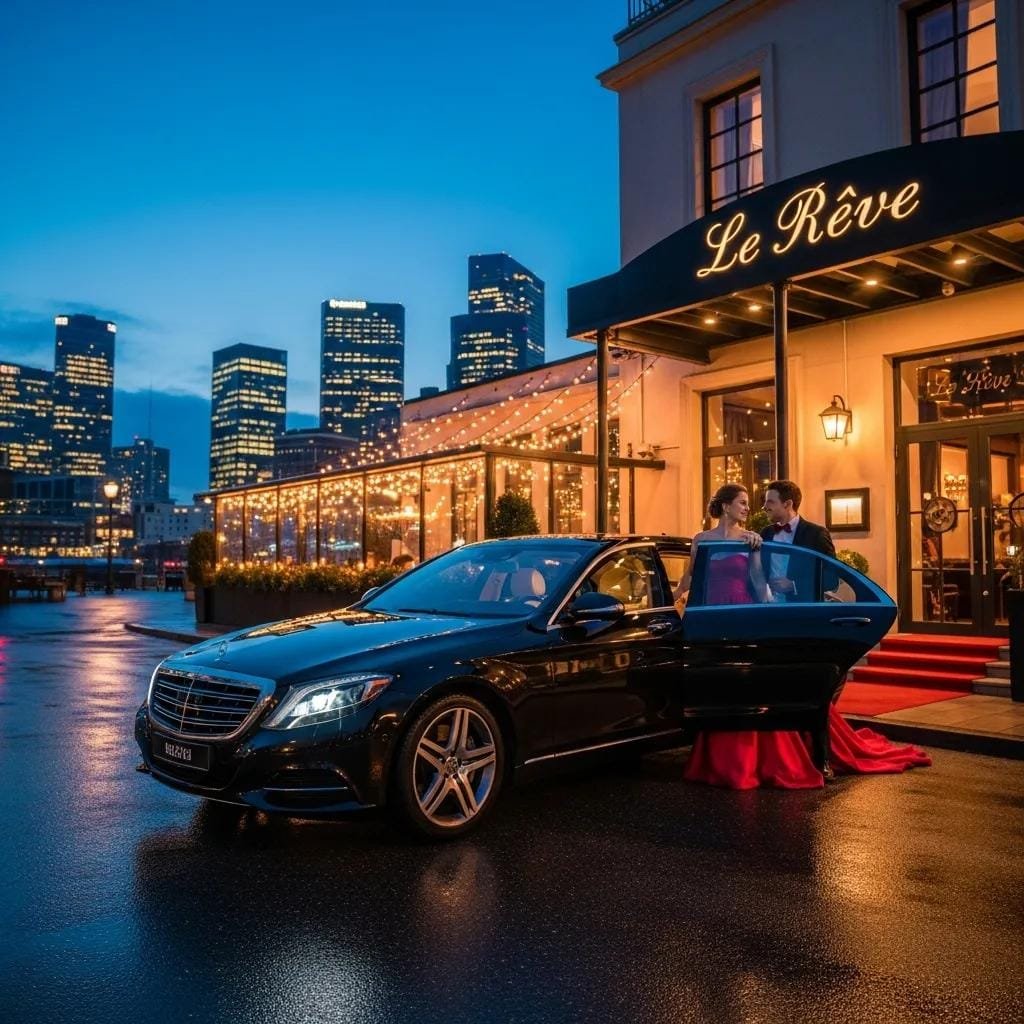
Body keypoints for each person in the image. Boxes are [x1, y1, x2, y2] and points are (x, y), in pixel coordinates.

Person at [759, 478, 931, 780]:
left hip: (806, 620)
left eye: (770, 502)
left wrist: (795, 585)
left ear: (787, 504)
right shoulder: (763, 534)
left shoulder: (815, 535)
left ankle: (821, 758)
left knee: (816, 692)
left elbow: (831, 580)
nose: (765, 507)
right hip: (772, 618)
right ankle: (784, 757)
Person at [675, 484, 826, 789]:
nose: (748, 508)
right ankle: (714, 757)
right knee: (715, 682)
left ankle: (745, 758)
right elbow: (691, 576)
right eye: (742, 503)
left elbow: (758, 580)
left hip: (741, 612)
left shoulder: (751, 539)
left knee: (742, 682)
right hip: (711, 614)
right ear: (726, 505)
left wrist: (769, 609)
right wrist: (673, 598)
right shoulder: (701, 540)